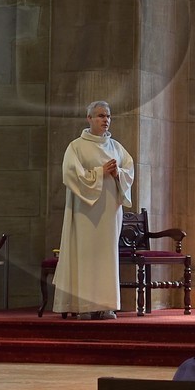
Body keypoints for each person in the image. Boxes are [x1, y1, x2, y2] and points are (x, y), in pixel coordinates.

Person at [52, 101, 136, 319]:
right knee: (86, 256)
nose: (105, 120)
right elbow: (70, 175)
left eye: (108, 116)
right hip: (85, 213)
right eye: (100, 116)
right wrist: (100, 173)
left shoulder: (116, 147)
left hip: (109, 213)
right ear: (88, 118)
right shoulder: (76, 146)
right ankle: (84, 306)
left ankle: (106, 305)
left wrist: (119, 174)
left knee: (106, 257)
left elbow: (129, 170)